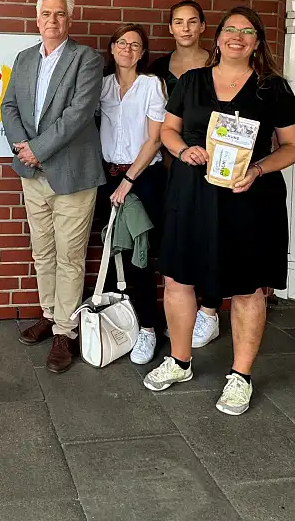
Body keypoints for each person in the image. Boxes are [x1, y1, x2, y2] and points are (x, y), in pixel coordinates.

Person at [143, 6, 295, 416]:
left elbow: (294, 146)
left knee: (248, 287)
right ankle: (180, 362)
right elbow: (167, 130)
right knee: (179, 278)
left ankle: (240, 376)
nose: (238, 37)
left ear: (257, 42)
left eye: (247, 31)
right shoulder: (192, 81)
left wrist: (258, 168)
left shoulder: (273, 89)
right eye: (230, 30)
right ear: (216, 39)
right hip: (191, 193)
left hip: (248, 197)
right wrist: (183, 150)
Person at [1, 0, 105, 374]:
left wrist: (36, 149)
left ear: (69, 20)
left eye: (59, 14)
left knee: (70, 257)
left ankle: (65, 331)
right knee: (42, 251)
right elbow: (8, 106)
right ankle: (49, 314)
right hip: (33, 174)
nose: (52, 20)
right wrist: (21, 145)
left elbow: (78, 115)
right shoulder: (25, 59)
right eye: (46, 13)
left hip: (73, 175)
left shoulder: (87, 59)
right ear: (37, 18)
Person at [150, 0, 222, 348]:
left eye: (193, 21)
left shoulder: (218, 63)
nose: (186, 28)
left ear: (203, 26)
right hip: (169, 167)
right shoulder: (158, 67)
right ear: (170, 28)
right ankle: (182, 314)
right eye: (178, 22)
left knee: (212, 240)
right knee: (178, 243)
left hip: (213, 166)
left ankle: (209, 312)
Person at [97, 23, 167, 365]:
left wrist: (129, 179)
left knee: (141, 256)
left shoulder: (152, 85)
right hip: (108, 177)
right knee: (112, 253)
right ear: (112, 48)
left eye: (135, 45)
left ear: (142, 53)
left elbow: (154, 140)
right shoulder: (101, 86)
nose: (127, 49)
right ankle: (119, 323)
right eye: (121, 43)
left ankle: (149, 330)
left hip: (142, 178)